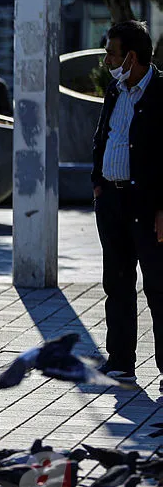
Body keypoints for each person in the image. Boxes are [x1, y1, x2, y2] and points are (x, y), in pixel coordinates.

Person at [92, 20, 163, 386]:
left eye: (111, 53)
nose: (107, 60)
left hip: (148, 208)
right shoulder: (115, 89)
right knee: (116, 284)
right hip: (112, 202)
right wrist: (98, 184)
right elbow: (103, 135)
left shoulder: (161, 92)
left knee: (158, 286)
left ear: (131, 56)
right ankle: (120, 361)